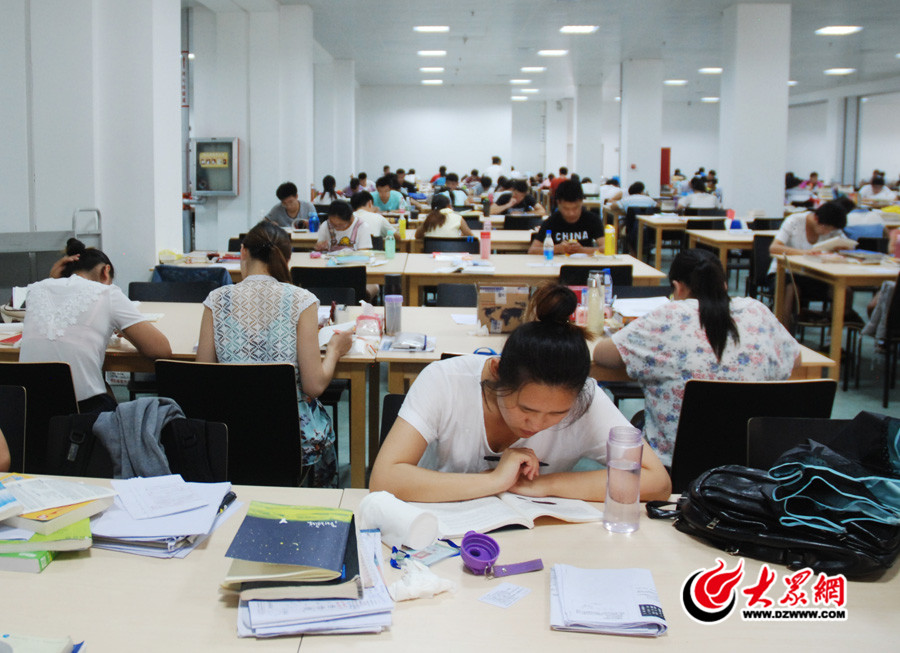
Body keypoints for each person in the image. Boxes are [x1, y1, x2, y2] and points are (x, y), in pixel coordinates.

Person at [369, 284, 671, 502]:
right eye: (525, 409)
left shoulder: (586, 399)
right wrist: (496, 480)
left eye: (557, 414)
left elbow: (657, 481)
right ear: (498, 372)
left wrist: (546, 485)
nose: (537, 425)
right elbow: (385, 480)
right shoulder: (445, 381)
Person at [593, 249, 801, 467]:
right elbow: (795, 360)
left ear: (678, 287)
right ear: (724, 285)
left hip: (674, 465)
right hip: (750, 465)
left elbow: (602, 355)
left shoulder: (667, 316)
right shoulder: (757, 311)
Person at [197, 220, 352, 487]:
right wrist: (335, 350)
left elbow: (203, 378)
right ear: (286, 259)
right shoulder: (302, 300)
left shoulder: (216, 299)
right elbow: (314, 386)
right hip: (290, 435)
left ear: (243, 252)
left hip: (228, 434)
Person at [20, 239, 172, 414]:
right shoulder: (107, 292)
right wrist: (124, 330)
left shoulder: (35, 290)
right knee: (101, 387)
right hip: (82, 412)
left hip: (29, 410)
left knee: (99, 382)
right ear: (105, 271)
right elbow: (161, 350)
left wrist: (52, 278)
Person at [768, 201, 852, 328]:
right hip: (784, 273)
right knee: (790, 289)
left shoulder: (832, 229)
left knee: (843, 289)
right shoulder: (794, 221)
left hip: (812, 275)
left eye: (832, 230)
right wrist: (805, 253)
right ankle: (784, 337)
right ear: (816, 218)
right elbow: (774, 248)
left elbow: (845, 243)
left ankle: (831, 339)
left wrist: (843, 249)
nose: (828, 232)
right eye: (827, 228)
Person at [528, 179, 603, 255]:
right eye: (566, 209)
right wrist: (556, 249)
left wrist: (582, 250)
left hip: (585, 265)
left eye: (575, 208)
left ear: (581, 202)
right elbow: (532, 251)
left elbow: (607, 249)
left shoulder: (592, 220)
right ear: (558, 204)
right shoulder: (551, 222)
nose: (571, 213)